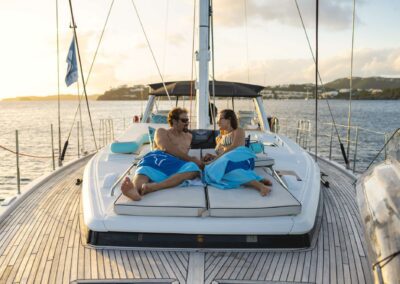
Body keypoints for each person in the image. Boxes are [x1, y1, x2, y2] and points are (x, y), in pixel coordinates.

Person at [121, 107, 203, 201]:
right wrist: (190, 159)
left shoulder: (189, 136)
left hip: (175, 164)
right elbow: (166, 147)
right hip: (158, 158)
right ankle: (134, 191)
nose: (187, 123)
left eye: (187, 120)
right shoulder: (161, 132)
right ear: (174, 121)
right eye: (184, 120)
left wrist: (198, 160)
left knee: (194, 169)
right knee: (144, 170)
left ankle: (154, 186)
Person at [203, 109, 273, 196]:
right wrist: (212, 156)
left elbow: (235, 147)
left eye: (221, 119)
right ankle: (256, 179)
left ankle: (259, 186)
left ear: (229, 119)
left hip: (242, 158)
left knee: (218, 167)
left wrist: (214, 160)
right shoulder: (219, 138)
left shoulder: (238, 131)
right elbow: (223, 155)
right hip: (228, 161)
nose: (218, 122)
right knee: (218, 170)